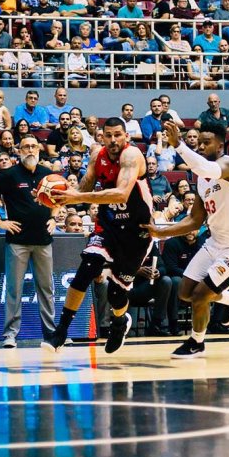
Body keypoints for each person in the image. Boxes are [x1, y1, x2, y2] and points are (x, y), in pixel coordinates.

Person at [143, 121, 229, 360]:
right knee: (185, 292)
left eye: (206, 142)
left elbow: (207, 168)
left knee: (200, 296)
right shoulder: (202, 179)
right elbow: (195, 221)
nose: (201, 146)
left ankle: (197, 342)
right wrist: (160, 232)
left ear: (221, 145)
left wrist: (178, 145)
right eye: (199, 142)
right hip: (214, 243)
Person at [41, 117, 153, 355]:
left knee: (116, 293)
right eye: (108, 135)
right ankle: (61, 331)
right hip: (109, 225)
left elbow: (121, 194)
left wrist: (78, 198)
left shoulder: (132, 156)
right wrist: (53, 196)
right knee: (87, 269)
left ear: (126, 136)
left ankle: (120, 322)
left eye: (118, 135)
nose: (113, 140)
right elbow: (82, 190)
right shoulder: (96, 156)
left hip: (137, 231)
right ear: (101, 136)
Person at [0, 135, 56, 348]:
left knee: (46, 289)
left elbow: (61, 197)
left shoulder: (48, 175)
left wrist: (54, 217)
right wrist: (0, 222)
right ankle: (10, 334)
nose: (30, 150)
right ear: (18, 150)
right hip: (17, 241)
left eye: (33, 146)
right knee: (14, 289)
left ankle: (51, 334)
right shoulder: (8, 175)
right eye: (26, 147)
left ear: (39, 149)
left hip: (43, 240)